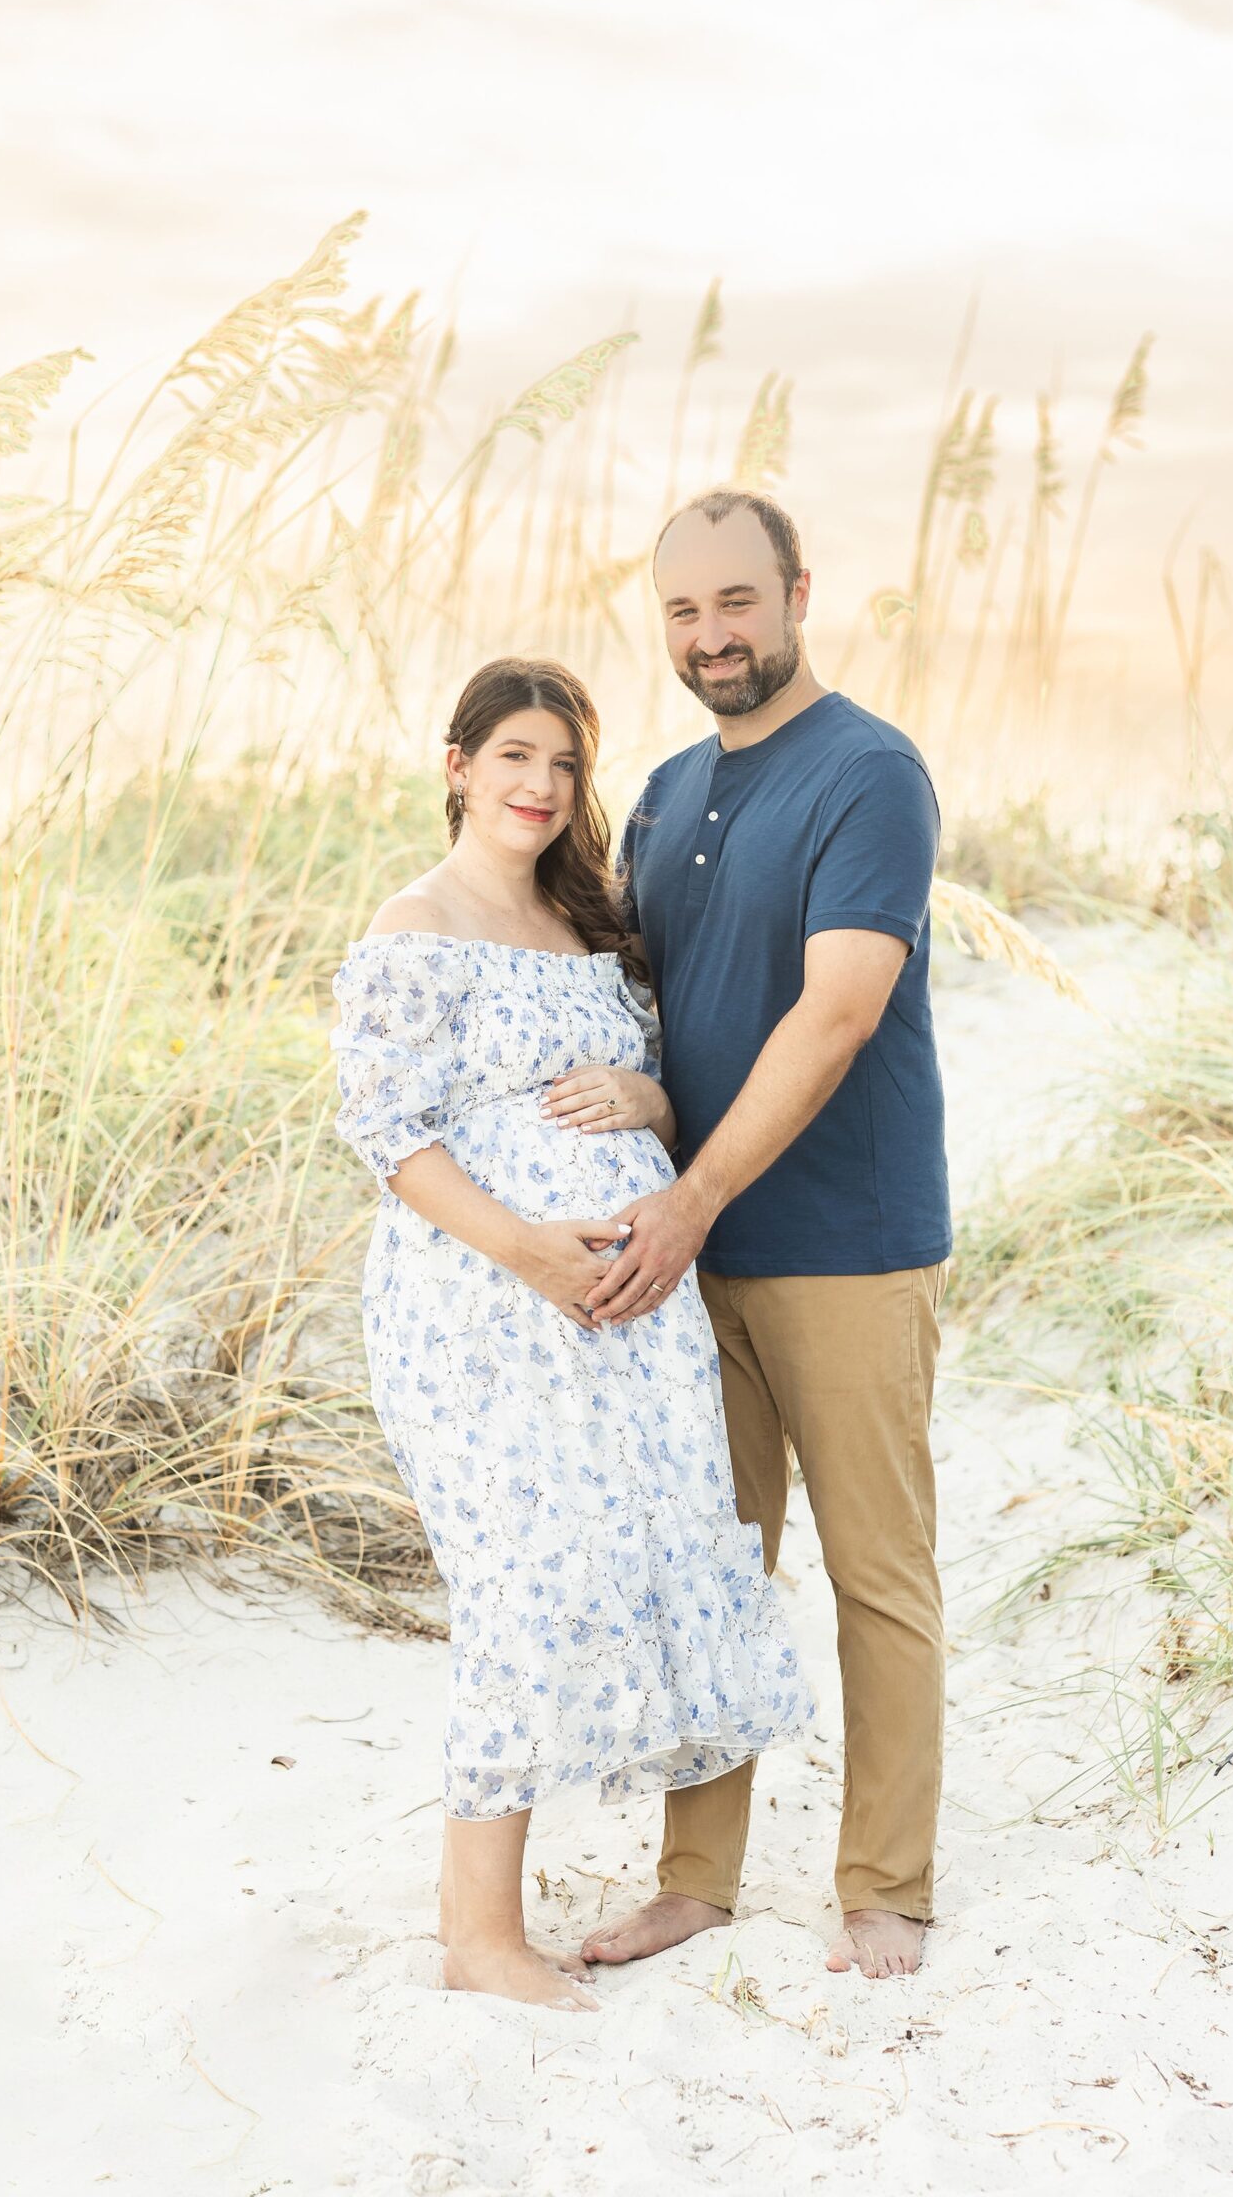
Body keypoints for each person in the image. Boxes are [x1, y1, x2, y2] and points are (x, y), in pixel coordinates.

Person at [329, 654, 812, 2012]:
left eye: (563, 764)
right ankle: (478, 1936)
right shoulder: (413, 926)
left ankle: (520, 1901)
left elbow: (666, 1095)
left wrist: (646, 1104)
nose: (540, 787)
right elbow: (389, 1135)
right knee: (514, 1587)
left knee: (597, 1572)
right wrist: (531, 1248)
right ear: (459, 765)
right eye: (515, 757)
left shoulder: (590, 925)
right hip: (478, 1310)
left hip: (623, 1323)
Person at [579, 487, 952, 1983]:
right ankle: (698, 1875)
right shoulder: (666, 791)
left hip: (846, 1241)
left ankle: (885, 1882)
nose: (712, 635)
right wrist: (627, 1089)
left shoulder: (870, 773)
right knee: (712, 1569)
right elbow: (653, 1000)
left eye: (738, 602)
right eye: (683, 610)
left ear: (798, 592)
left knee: (876, 1570)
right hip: (694, 1258)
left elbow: (840, 1006)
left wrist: (692, 1193)